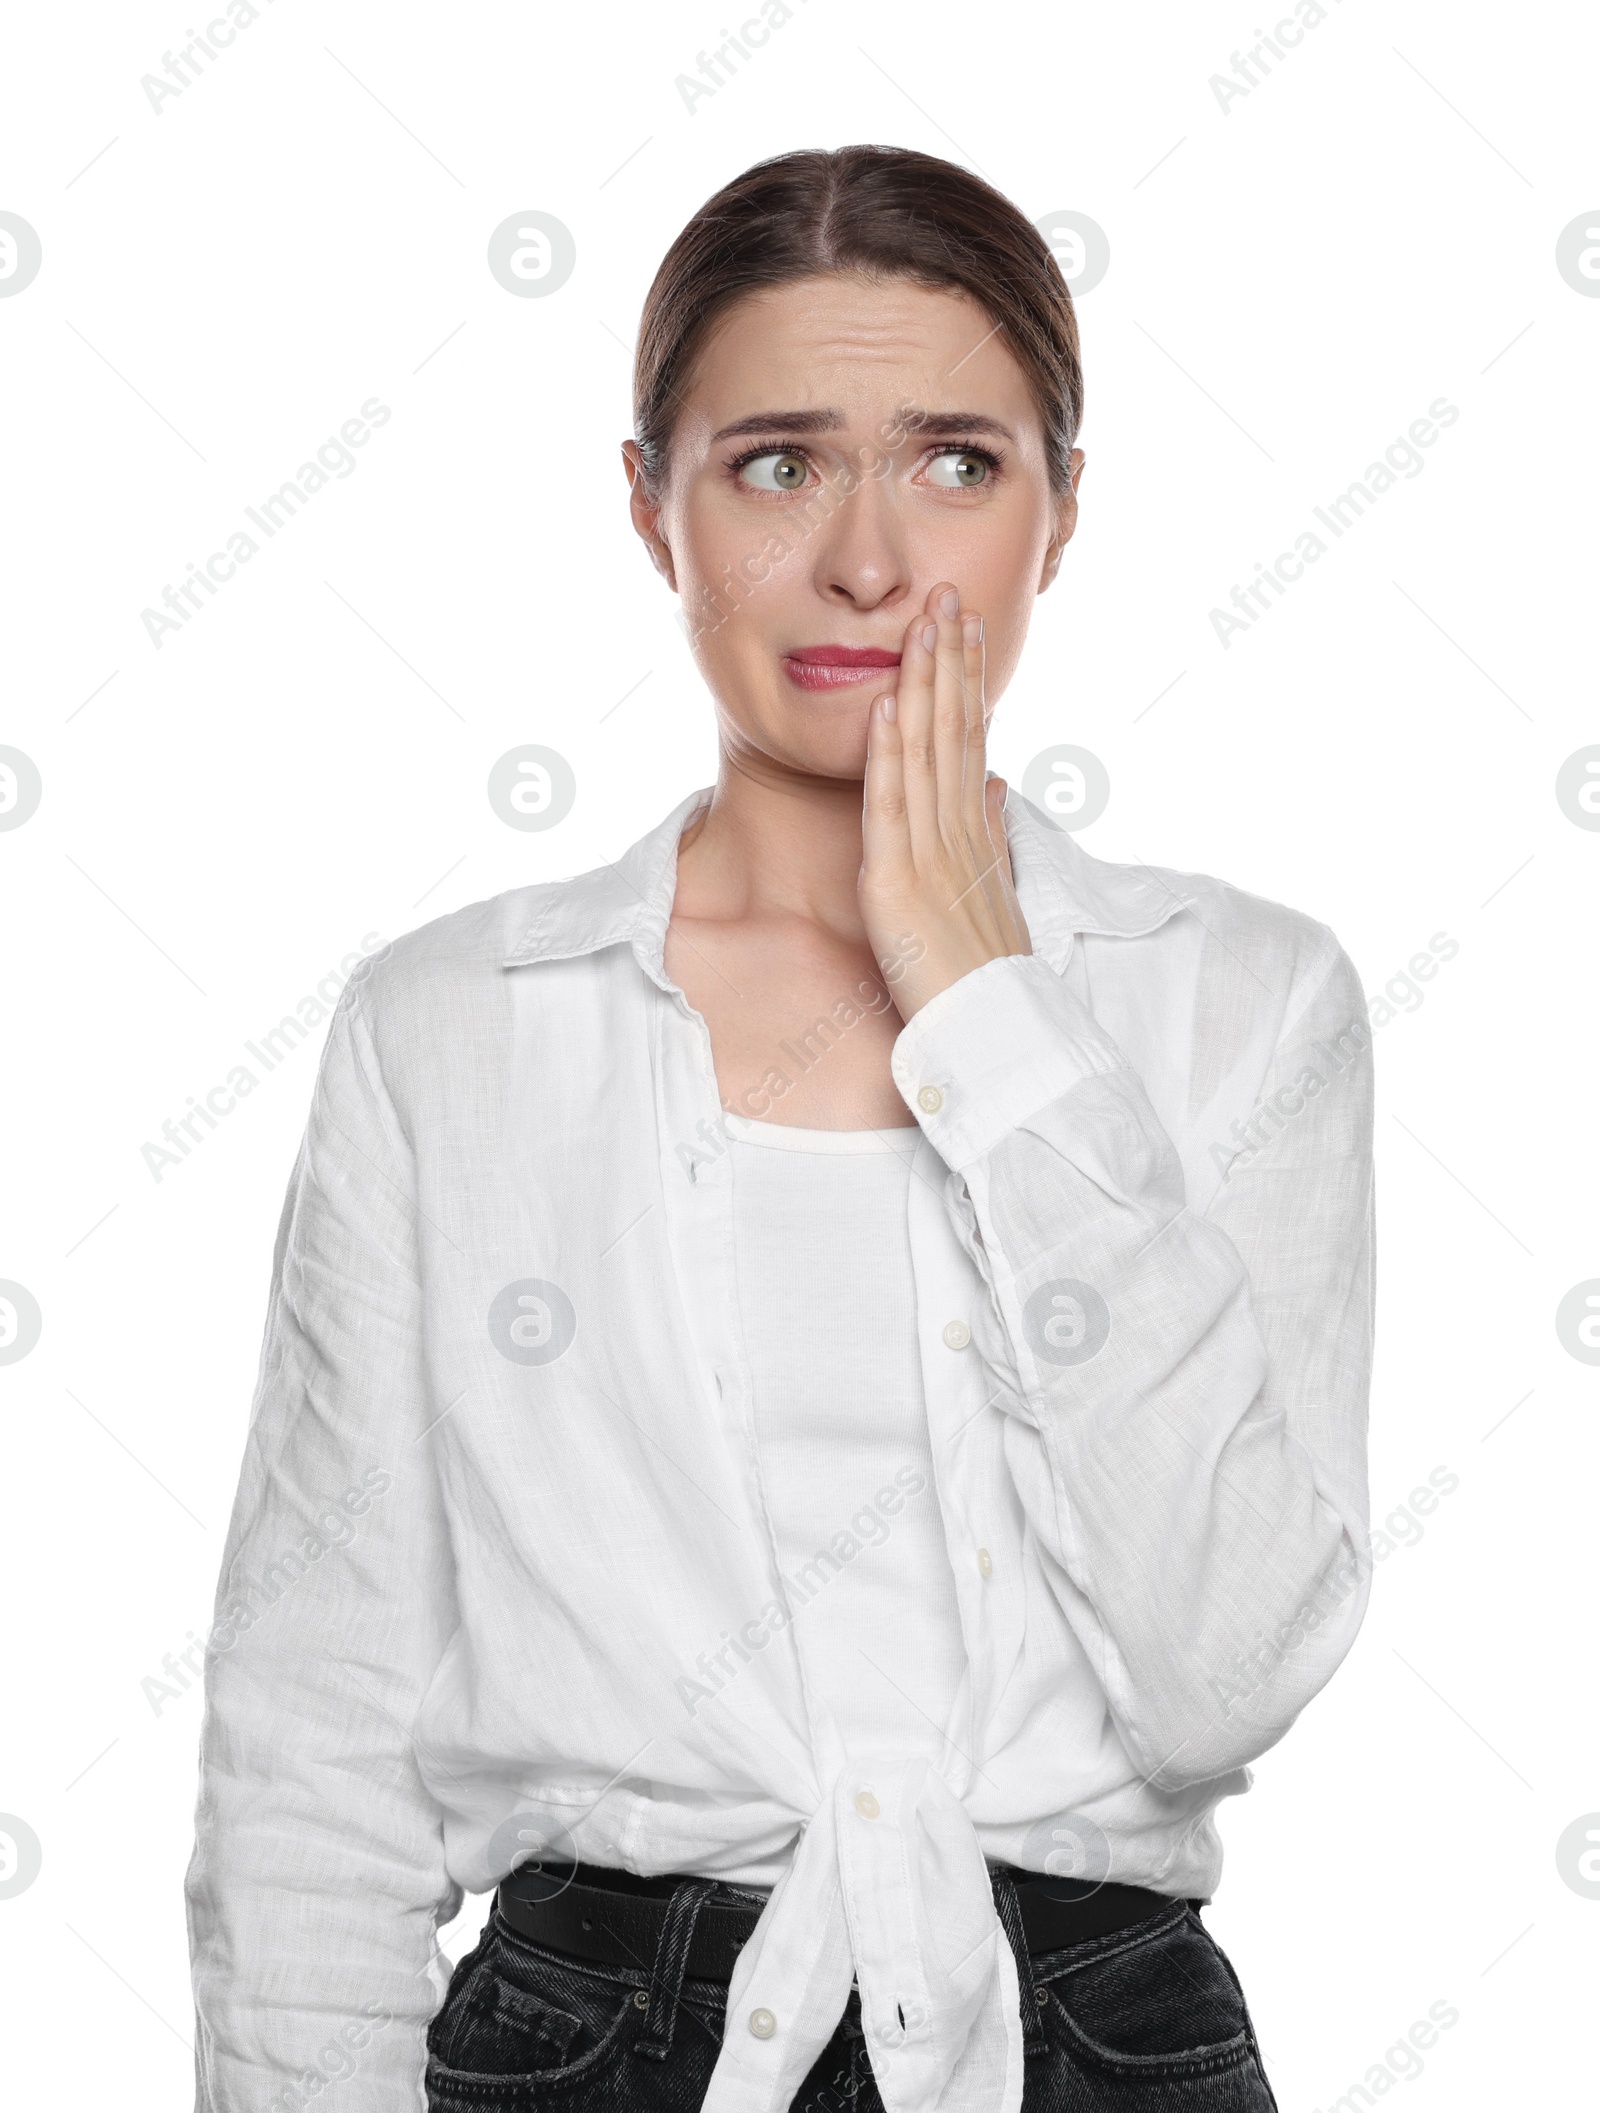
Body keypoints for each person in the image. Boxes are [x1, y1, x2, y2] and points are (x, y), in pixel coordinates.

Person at [187, 145, 1375, 2113]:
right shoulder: (450, 1032)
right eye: (771, 463)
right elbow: (316, 1735)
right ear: (649, 504)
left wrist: (990, 1016)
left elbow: (1221, 1668)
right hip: (591, 2034)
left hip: (1085, 2029)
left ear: (1059, 514)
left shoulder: (1237, 999)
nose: (864, 559)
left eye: (953, 462)